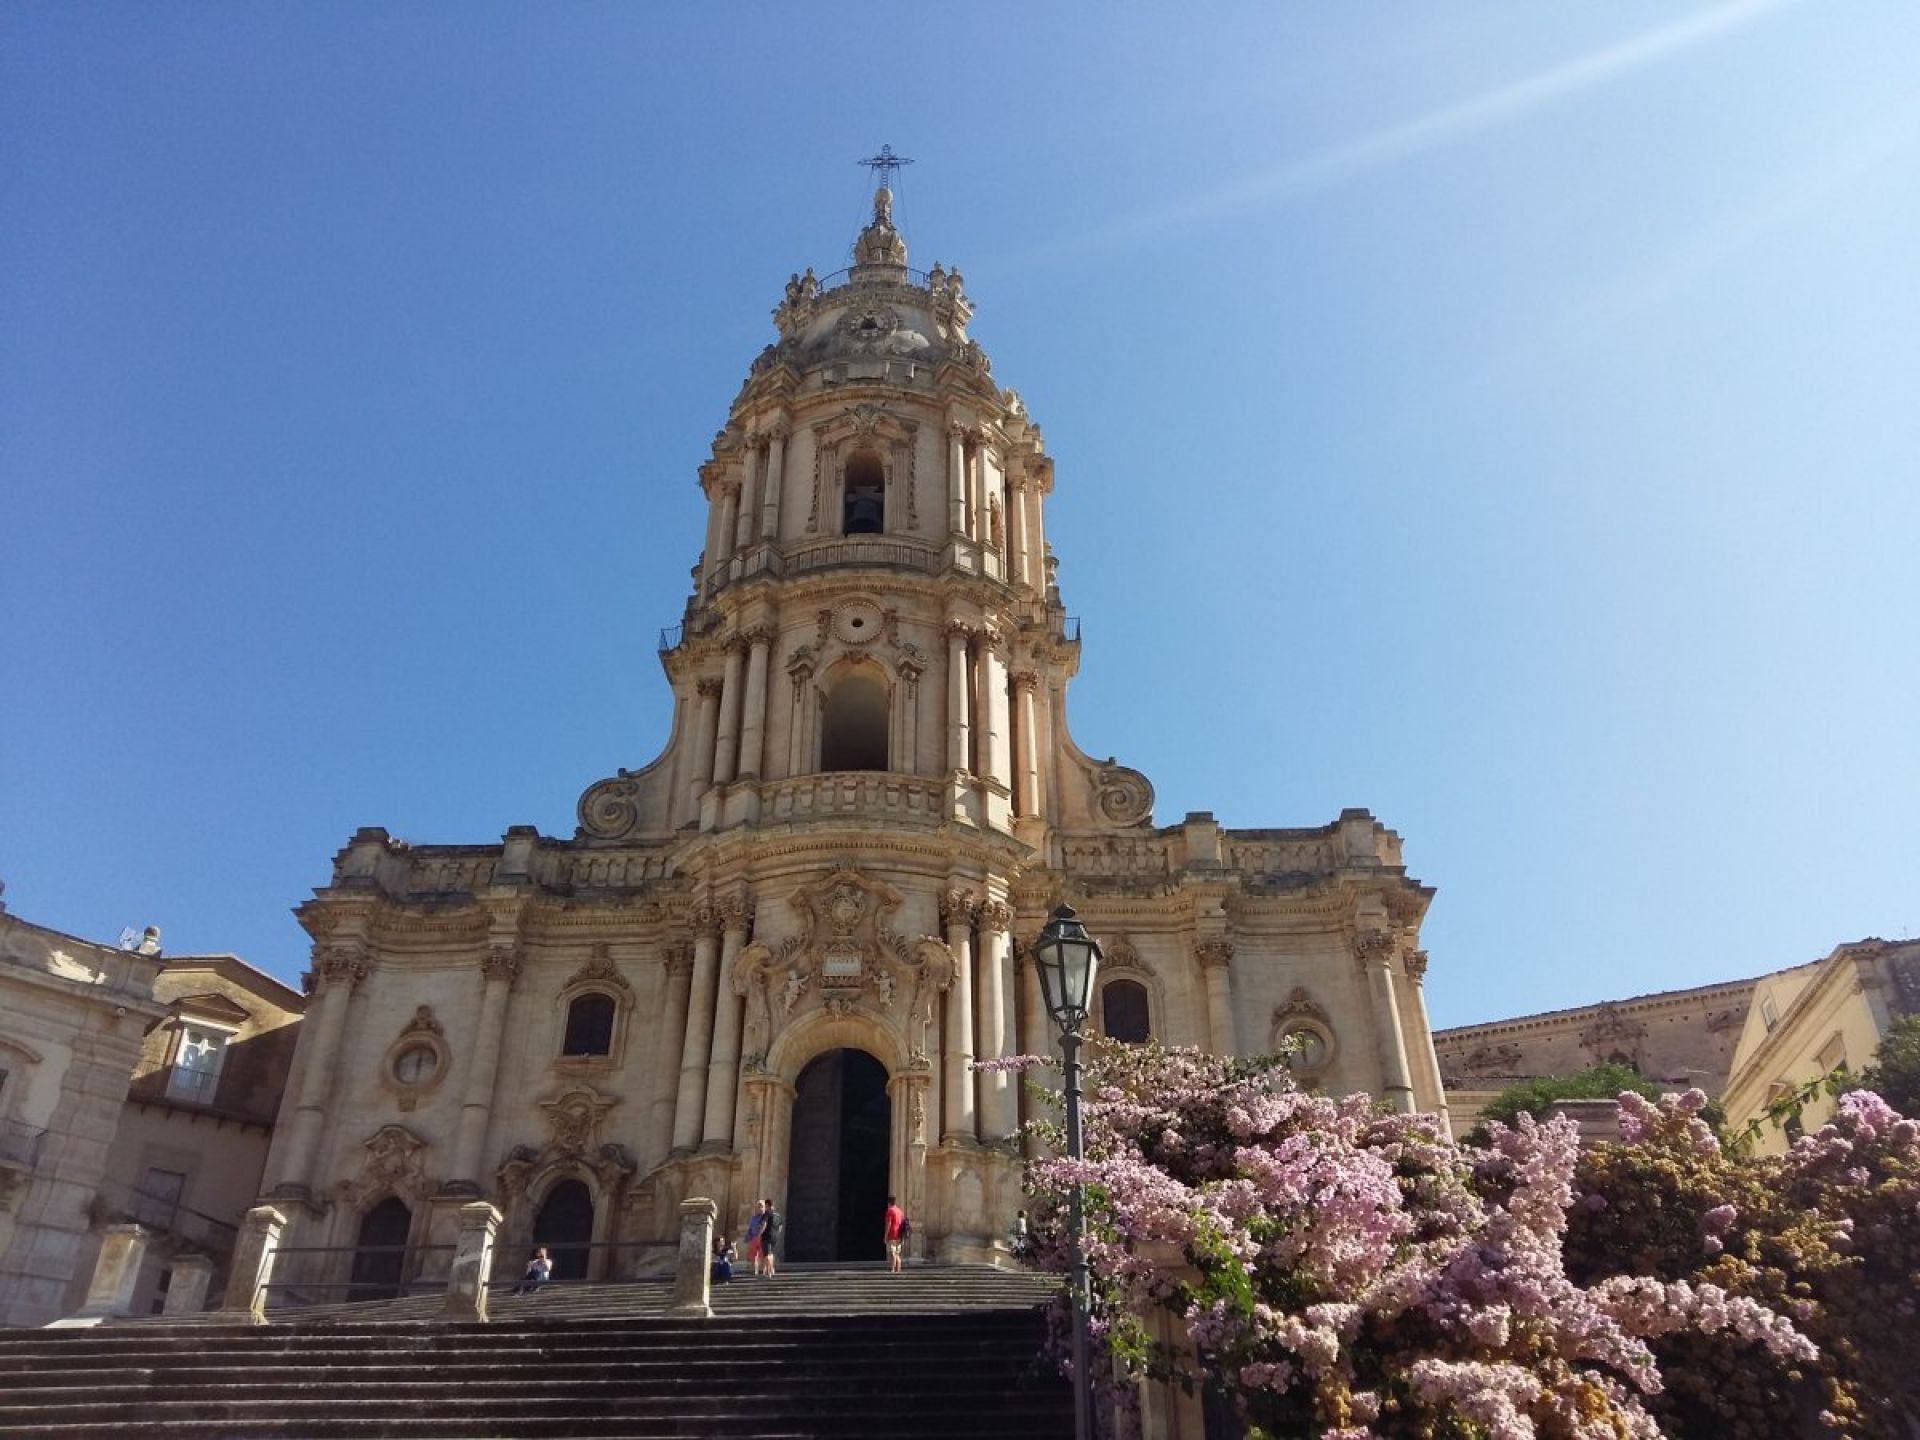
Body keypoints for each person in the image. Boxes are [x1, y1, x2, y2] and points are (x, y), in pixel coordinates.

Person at [883, 1194, 906, 1274]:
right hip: (899, 1235)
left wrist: (885, 1236)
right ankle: (898, 1269)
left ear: (889, 1202)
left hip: (892, 1235)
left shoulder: (890, 1211)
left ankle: (893, 1269)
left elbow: (889, 1224)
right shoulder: (900, 1211)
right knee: (897, 1253)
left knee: (892, 1253)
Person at [745, 1200, 769, 1277]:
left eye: (761, 1206)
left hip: (763, 1238)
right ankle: (754, 1270)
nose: (760, 1208)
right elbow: (750, 1228)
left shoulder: (766, 1218)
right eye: (758, 1206)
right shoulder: (753, 1218)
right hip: (754, 1238)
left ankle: (763, 1270)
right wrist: (748, 1237)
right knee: (753, 1255)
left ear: (764, 1208)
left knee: (763, 1255)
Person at [759, 1197, 781, 1278]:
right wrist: (776, 1233)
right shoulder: (778, 1215)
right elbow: (780, 1225)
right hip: (774, 1237)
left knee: (767, 1254)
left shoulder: (767, 1213)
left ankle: (769, 1273)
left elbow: (764, 1224)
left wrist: (760, 1233)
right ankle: (772, 1270)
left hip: (767, 1236)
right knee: (771, 1253)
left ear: (767, 1205)